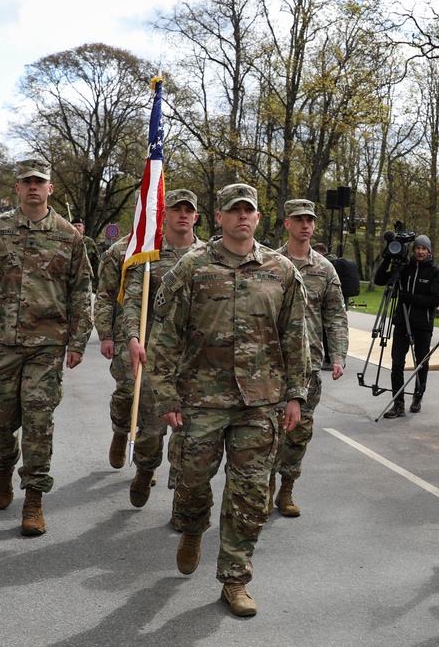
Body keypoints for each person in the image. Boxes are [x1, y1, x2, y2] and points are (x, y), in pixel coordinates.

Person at [146, 183, 309, 617]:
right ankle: (193, 527)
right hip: (200, 398)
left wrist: (296, 395)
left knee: (252, 493)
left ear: (258, 218)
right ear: (218, 217)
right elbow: (164, 335)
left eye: (249, 211)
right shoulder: (192, 266)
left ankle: (235, 579)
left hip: (260, 402)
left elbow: (296, 337)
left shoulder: (280, 270)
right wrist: (164, 393)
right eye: (233, 210)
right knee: (192, 479)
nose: (242, 217)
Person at [0, 158, 93, 537]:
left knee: (38, 421)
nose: (33, 187)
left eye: (40, 182)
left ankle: (34, 498)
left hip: (47, 345)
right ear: (16, 188)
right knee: (0, 421)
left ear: (50, 189)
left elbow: (82, 293)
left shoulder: (68, 237)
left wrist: (78, 340)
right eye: (26, 181)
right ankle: (2, 465)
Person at [124, 189, 205, 507]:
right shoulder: (149, 254)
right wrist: (133, 337)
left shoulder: (209, 256)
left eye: (189, 209)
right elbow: (132, 300)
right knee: (151, 427)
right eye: (176, 209)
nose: (183, 214)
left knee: (192, 431)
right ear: (165, 214)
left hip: (197, 359)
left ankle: (181, 491)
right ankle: (145, 469)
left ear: (196, 217)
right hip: (156, 355)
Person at [271, 199, 348, 516]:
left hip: (309, 364)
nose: (305, 225)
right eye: (298, 219)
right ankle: (264, 489)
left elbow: (335, 315)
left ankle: (286, 489)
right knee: (268, 433)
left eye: (310, 220)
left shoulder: (324, 269)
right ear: (287, 223)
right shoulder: (269, 264)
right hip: (271, 363)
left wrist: (339, 354)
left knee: (299, 432)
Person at [373, 235, 439, 417]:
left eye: (424, 249)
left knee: (421, 363)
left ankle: (418, 396)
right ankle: (398, 404)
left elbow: (435, 300)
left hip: (423, 325)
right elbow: (380, 280)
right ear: (412, 250)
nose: (420, 252)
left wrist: (411, 298)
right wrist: (387, 257)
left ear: (429, 251)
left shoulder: (434, 272)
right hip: (401, 323)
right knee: (397, 363)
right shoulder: (405, 269)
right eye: (417, 248)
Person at [94, 233, 132, 467]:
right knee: (127, 393)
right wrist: (105, 335)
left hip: (167, 338)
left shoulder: (181, 248)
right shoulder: (119, 252)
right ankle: (120, 431)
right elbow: (105, 295)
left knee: (154, 401)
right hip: (126, 334)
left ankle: (145, 462)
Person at [72, 217, 100, 292]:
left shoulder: (89, 242)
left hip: (86, 278)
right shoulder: (67, 241)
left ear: (83, 228)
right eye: (75, 226)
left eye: (79, 226)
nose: (77, 228)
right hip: (71, 278)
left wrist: (96, 283)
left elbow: (96, 262)